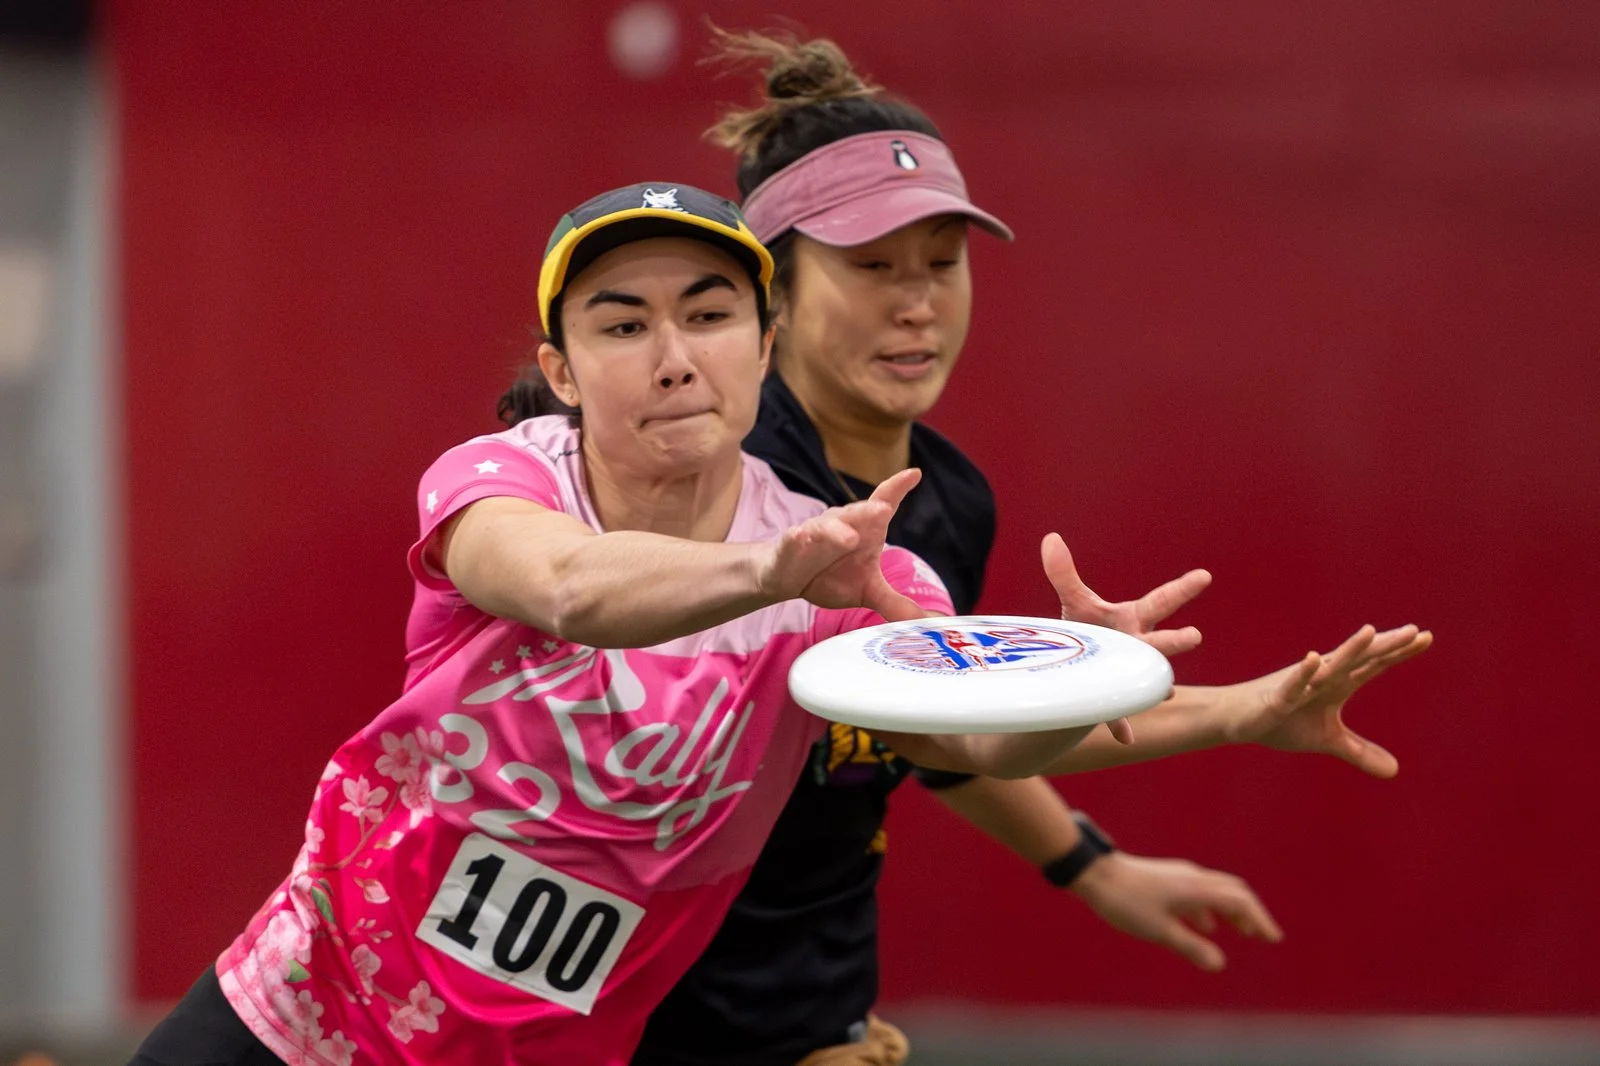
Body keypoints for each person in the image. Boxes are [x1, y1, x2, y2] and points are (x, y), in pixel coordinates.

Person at [128, 181, 1189, 1066]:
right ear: (562, 372)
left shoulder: (849, 569)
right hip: (310, 1002)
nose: (673, 355)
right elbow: (568, 587)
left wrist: (1078, 680)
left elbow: (974, 744)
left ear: (766, 345)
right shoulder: (504, 482)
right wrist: (766, 572)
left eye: (710, 313)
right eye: (623, 324)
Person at [534, 32, 1425, 1066]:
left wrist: (1095, 858)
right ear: (767, 294)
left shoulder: (943, 502)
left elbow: (936, 732)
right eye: (872, 267)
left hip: (804, 1009)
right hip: (627, 1024)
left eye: (941, 264)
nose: (916, 301)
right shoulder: (700, 482)